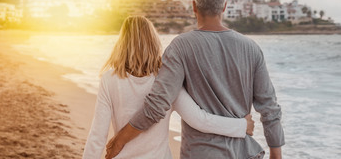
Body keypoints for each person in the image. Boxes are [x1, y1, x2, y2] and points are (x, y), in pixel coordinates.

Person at [106, 0, 285, 159]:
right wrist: (276, 153)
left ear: (194, 7)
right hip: (245, 153)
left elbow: (157, 105)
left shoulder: (180, 47)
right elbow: (269, 107)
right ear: (224, 6)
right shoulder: (251, 48)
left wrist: (120, 139)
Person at [82, 16, 255, 159]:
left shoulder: (110, 79)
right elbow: (199, 119)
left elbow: (98, 135)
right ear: (153, 42)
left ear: (122, 44)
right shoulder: (167, 80)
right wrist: (241, 126)